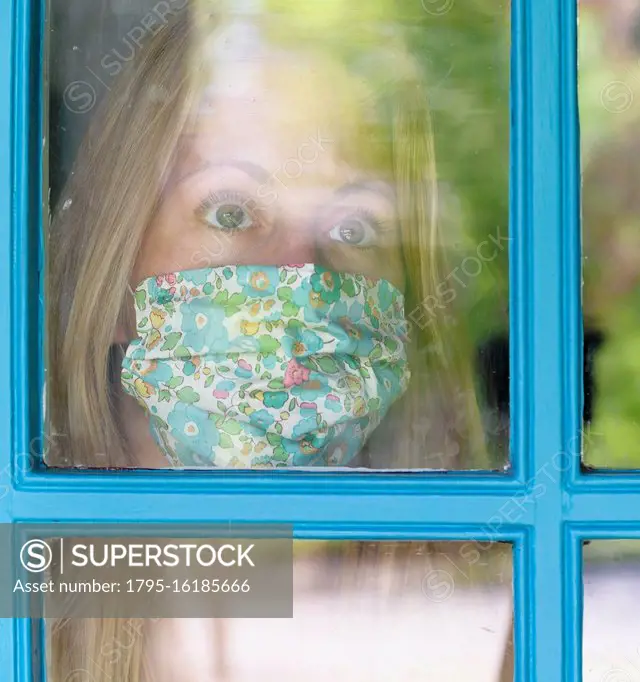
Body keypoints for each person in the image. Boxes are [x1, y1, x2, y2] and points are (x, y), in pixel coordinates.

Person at [44, 3, 512, 679]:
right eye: (231, 211)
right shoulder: (44, 592)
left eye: (357, 228)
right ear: (115, 272)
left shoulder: (467, 611)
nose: (300, 272)